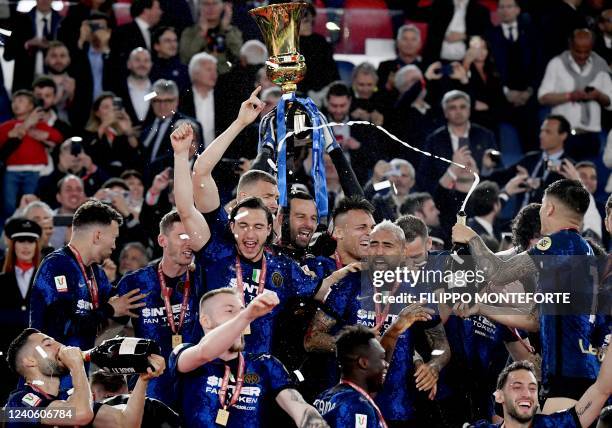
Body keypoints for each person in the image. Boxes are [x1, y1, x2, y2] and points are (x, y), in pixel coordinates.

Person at [171, 122, 356, 355]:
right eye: (269, 196)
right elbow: (194, 189)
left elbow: (322, 290)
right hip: (210, 364)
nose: (274, 203)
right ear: (234, 222)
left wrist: (353, 271)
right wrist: (239, 122)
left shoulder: (282, 264)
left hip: (259, 375)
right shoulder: (217, 246)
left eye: (259, 226)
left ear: (268, 228)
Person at [452, 179, 602, 413]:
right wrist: (481, 308)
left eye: (542, 204)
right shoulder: (583, 250)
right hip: (579, 372)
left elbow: (498, 273)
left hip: (568, 378)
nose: (541, 210)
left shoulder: (558, 243)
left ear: (550, 208)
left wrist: (471, 236)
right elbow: (534, 320)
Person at [169, 288, 329, 427]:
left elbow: (300, 408)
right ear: (206, 320)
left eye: (242, 310)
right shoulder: (183, 352)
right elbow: (204, 352)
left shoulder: (265, 364)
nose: (241, 317)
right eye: (230, 311)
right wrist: (246, 315)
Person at [29, 200, 146, 353]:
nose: (114, 246)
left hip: (78, 371)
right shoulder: (56, 265)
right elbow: (63, 326)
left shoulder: (97, 274)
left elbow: (118, 307)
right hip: (48, 372)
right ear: (97, 236)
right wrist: (110, 310)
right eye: (114, 237)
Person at [115, 210, 204, 406]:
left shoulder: (203, 279)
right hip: (150, 385)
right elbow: (108, 333)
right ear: (162, 240)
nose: (189, 242)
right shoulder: (135, 282)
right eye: (182, 236)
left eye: (192, 236)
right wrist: (112, 314)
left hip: (196, 385)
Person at [4, 328, 165, 428]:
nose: (59, 346)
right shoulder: (16, 406)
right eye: (48, 344)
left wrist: (143, 379)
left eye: (55, 341)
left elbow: (126, 424)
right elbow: (81, 415)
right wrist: (77, 366)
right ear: (29, 361)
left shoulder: (70, 397)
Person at [469, 356, 612, 428]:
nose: (526, 394)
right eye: (517, 387)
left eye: (532, 388)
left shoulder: (554, 425)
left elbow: (601, 389)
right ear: (499, 396)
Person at [538, 29, 612, 160]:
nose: (582, 56)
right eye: (578, 51)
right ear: (570, 45)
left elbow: (610, 102)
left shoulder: (601, 65)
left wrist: (598, 95)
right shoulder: (557, 64)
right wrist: (570, 96)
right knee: (563, 178)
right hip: (564, 136)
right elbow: (543, 97)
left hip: (591, 135)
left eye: (587, 51)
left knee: (586, 177)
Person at [417, 90, 497, 194]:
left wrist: (487, 169)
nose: (458, 112)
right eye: (452, 108)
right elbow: (424, 176)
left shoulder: (485, 136)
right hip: (446, 197)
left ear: (469, 110)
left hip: (478, 195)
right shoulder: (434, 140)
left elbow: (498, 169)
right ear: (445, 113)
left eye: (462, 107)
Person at [0, 90, 63, 221]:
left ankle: (29, 225)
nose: (16, 104)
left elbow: (57, 137)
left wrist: (44, 135)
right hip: (12, 170)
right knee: (8, 204)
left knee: (31, 203)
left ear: (31, 106)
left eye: (21, 101)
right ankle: (8, 229)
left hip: (34, 171)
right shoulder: (6, 126)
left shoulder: (39, 125)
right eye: (14, 101)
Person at [313, 325, 390, 428]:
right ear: (363, 363)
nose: (386, 364)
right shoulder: (358, 406)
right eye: (381, 358)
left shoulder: (323, 397)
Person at [0, 218, 43, 402]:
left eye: (30, 241)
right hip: (5, 359)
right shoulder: (1, 280)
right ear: (12, 244)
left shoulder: (45, 278)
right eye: (21, 241)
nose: (26, 246)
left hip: (39, 359)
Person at [2, 0, 62, 92]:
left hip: (56, 85)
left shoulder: (63, 22)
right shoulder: (20, 22)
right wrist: (27, 44)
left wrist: (53, 47)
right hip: (25, 86)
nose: (44, 0)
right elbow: (8, 54)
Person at [178, 0, 242, 75]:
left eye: (215, 3)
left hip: (228, 75)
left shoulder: (232, 31)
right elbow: (185, 58)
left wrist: (225, 29)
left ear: (223, 6)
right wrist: (201, 34)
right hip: (199, 76)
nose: (211, 8)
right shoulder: (189, 32)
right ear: (199, 7)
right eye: (206, 4)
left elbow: (239, 55)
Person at [112, 47, 155, 127]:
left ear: (151, 65)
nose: (142, 64)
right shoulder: (116, 89)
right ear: (128, 64)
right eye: (137, 60)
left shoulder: (157, 89)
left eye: (146, 61)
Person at [377, 24, 424, 95]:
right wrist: (388, 86)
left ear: (419, 44)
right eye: (405, 39)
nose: (409, 43)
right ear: (397, 43)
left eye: (413, 39)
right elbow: (376, 93)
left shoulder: (426, 68)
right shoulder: (385, 67)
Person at [150, 26, 190, 92]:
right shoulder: (149, 69)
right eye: (167, 41)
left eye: (175, 40)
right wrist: (157, 94)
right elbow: (144, 98)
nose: (173, 44)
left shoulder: (184, 70)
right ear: (156, 46)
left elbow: (187, 91)